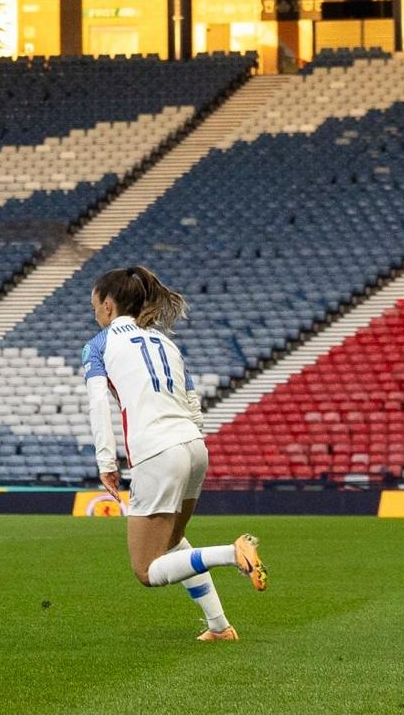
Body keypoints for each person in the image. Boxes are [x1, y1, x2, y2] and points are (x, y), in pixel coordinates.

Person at [83, 265, 266, 641]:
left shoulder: (99, 345)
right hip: (193, 446)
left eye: (95, 304)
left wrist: (106, 460)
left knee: (147, 570)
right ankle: (220, 627)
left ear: (109, 305)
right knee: (170, 542)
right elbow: (192, 401)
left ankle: (234, 554)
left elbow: (99, 403)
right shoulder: (167, 343)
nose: (94, 312)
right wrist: (192, 446)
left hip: (157, 452)